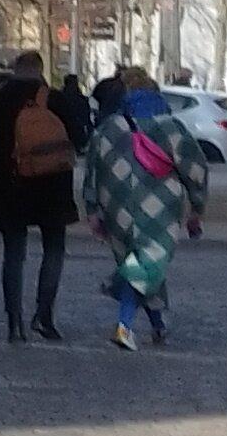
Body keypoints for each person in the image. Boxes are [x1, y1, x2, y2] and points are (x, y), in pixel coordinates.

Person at [84, 77, 207, 348]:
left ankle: (158, 324)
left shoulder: (108, 128)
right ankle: (124, 325)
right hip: (158, 207)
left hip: (115, 208)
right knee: (145, 265)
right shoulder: (170, 127)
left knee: (140, 265)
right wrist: (197, 208)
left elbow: (91, 170)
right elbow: (195, 169)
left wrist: (92, 209)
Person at [0, 46, 78, 340]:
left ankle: (14, 321)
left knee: (14, 254)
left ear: (15, 69)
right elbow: (77, 141)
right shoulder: (56, 101)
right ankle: (44, 316)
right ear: (41, 69)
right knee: (54, 250)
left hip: (10, 189)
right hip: (53, 188)